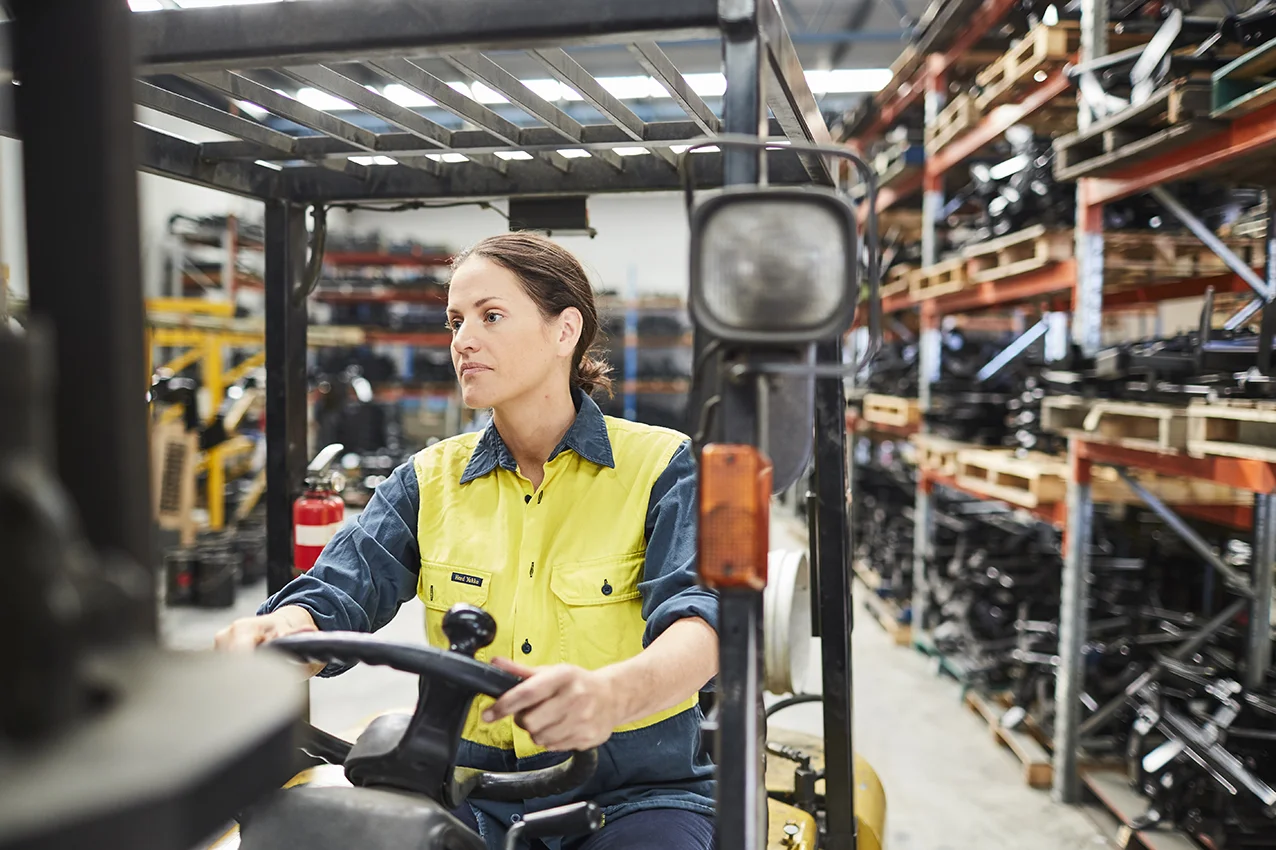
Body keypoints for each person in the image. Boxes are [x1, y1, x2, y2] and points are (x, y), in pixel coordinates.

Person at [215, 232, 718, 850]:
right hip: (471, 796)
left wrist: (613, 695)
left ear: (565, 331)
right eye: (456, 321)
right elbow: (339, 589)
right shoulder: (428, 480)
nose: (463, 341)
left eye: (491, 316)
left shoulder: (663, 468)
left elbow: (703, 622)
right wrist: (283, 631)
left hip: (635, 797)